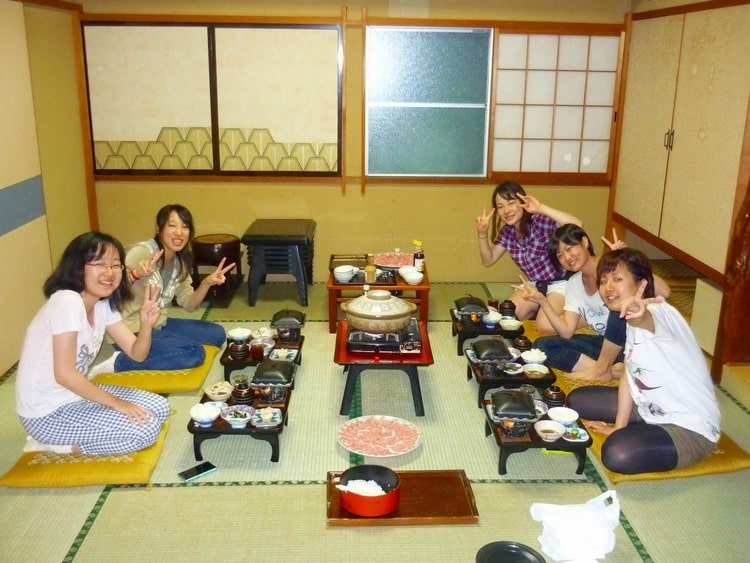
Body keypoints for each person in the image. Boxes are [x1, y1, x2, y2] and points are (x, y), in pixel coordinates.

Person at [566, 248, 720, 474]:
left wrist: (639, 313)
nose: (608, 287)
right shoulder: (629, 320)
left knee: (617, 453)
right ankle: (641, 428)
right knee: (575, 401)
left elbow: (647, 320)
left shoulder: (660, 314)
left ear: (641, 285)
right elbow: (630, 373)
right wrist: (619, 427)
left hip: (689, 427)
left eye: (617, 279)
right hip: (650, 405)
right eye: (604, 280)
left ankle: (646, 434)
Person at [15, 232, 170, 455]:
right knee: (146, 430)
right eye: (99, 264)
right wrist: (117, 404)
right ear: (77, 267)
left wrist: (146, 325)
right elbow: (65, 375)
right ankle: (57, 445)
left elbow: (137, 354)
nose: (110, 272)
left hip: (74, 396)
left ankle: (85, 430)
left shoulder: (102, 304)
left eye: (116, 265)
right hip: (46, 413)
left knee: (160, 408)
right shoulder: (66, 302)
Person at [93, 204, 235, 374]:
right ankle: (119, 362)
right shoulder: (142, 253)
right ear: (158, 228)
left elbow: (189, 304)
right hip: (131, 329)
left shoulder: (179, 262)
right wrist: (136, 274)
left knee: (217, 334)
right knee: (194, 352)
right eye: (172, 225)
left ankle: (165, 344)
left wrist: (206, 283)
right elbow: (110, 287)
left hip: (159, 322)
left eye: (185, 226)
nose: (179, 232)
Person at [517, 225, 671, 381]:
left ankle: (603, 369)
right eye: (560, 255)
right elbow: (566, 332)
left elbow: (665, 291)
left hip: (635, 342)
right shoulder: (573, 283)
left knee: (618, 310)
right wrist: (542, 301)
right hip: (609, 347)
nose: (567, 257)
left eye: (569, 248)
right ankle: (611, 371)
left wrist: (625, 261)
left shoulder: (613, 269)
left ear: (584, 242)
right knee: (542, 346)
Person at [475, 180, 582, 333]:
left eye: (511, 203)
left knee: (544, 326)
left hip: (561, 283)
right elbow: (488, 260)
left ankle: (582, 317)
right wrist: (482, 234)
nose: (506, 210)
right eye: (500, 206)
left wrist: (541, 208)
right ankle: (540, 311)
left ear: (522, 202)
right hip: (535, 285)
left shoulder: (539, 221)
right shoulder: (508, 232)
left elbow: (577, 225)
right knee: (505, 317)